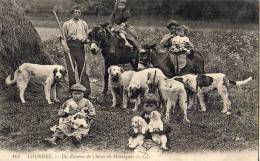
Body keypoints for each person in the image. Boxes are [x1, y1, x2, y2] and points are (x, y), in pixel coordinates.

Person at [62, 6, 91, 98]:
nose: (77, 14)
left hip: (80, 47)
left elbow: (87, 37)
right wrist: (65, 47)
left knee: (82, 70)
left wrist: (87, 41)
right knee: (71, 70)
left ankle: (86, 92)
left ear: (80, 14)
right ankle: (72, 91)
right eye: (75, 12)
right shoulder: (67, 24)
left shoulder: (84, 24)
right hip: (70, 48)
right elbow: (63, 38)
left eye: (79, 12)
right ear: (72, 13)